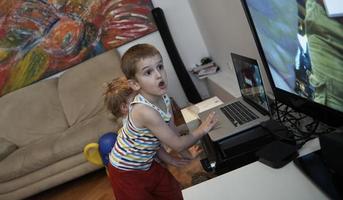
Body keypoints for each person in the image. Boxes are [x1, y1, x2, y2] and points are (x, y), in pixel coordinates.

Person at [107, 43, 217, 200]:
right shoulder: (143, 111)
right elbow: (177, 143)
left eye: (160, 66)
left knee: (172, 192)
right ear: (135, 84)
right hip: (125, 171)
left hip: (147, 162)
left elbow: (172, 132)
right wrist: (202, 129)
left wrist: (184, 154)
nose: (159, 75)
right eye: (148, 72)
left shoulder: (164, 97)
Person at [104, 76, 199, 168]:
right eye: (138, 97)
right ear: (124, 107)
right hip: (131, 166)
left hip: (144, 161)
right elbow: (162, 144)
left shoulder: (142, 111)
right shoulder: (140, 116)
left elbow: (168, 135)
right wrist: (174, 159)